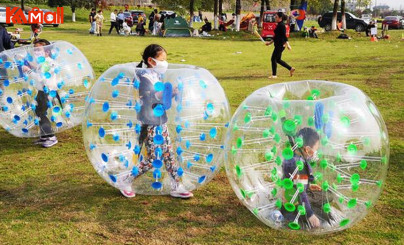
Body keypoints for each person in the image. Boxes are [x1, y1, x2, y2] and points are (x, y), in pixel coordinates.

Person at [117, 44, 193, 199]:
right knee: (152, 159)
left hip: (160, 120)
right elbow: (150, 97)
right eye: (162, 59)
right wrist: (167, 91)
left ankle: (175, 185)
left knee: (169, 154)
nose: (165, 63)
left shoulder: (157, 75)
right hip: (149, 121)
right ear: (151, 60)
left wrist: (173, 93)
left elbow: (162, 100)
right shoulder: (143, 77)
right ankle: (124, 181)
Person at [281, 127, 322, 228]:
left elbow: (296, 182)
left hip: (291, 195)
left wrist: (309, 185)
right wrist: (310, 215)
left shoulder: (295, 156)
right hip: (292, 206)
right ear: (307, 149)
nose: (316, 153)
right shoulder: (299, 165)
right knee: (325, 198)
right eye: (315, 150)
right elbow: (300, 192)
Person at [22, 39, 59, 148]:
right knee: (38, 112)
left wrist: (28, 70)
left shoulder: (48, 63)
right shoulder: (44, 62)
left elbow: (40, 77)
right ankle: (44, 136)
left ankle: (51, 137)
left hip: (47, 91)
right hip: (42, 91)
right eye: (35, 50)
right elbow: (39, 68)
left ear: (47, 52)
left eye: (38, 50)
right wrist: (29, 64)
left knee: (41, 113)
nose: (36, 52)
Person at [265, 12, 295, 79]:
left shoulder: (282, 25)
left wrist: (288, 45)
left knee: (273, 59)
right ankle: (291, 68)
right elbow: (276, 36)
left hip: (280, 45)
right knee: (278, 59)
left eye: (276, 17)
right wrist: (269, 43)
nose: (274, 18)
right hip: (278, 45)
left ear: (280, 18)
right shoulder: (278, 25)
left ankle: (274, 75)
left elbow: (284, 36)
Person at [0, 25, 14, 108]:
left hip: (0, 61)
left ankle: (0, 102)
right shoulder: (1, 29)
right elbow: (9, 45)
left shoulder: (1, 29)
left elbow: (9, 45)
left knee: (1, 82)